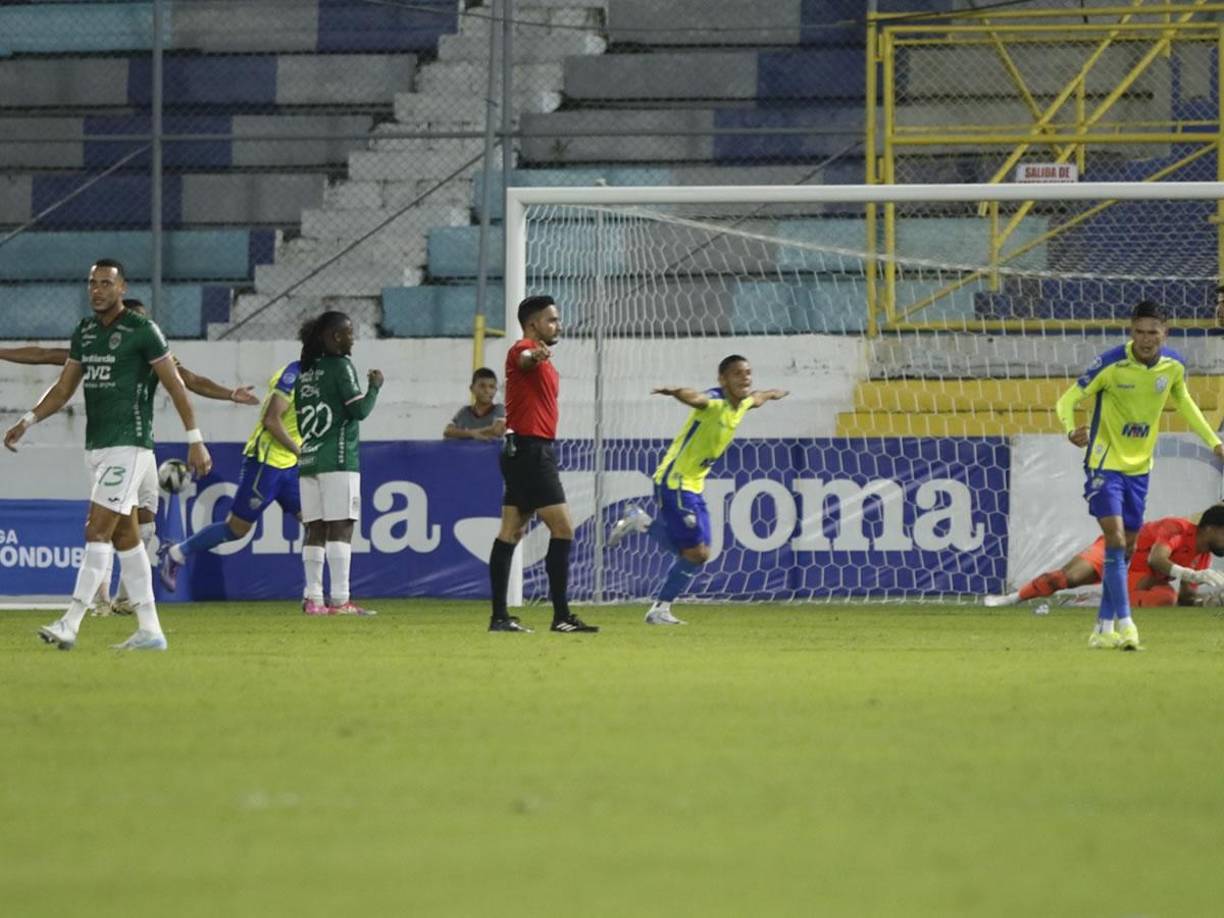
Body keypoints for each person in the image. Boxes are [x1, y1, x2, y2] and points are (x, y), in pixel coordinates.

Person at [0, 297, 258, 615]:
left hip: (141, 448)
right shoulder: (98, 348)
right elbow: (44, 355)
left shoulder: (154, 353)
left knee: (145, 522)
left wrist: (230, 394)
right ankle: (99, 599)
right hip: (110, 446)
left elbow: (189, 381)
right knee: (105, 522)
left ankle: (125, 598)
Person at [3, 259, 212, 650]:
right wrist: (28, 419)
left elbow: (178, 386)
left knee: (95, 530)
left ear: (122, 288)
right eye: (92, 283)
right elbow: (64, 389)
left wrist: (195, 438)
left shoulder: (143, 331)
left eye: (105, 283)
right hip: (97, 446)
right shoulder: (84, 332)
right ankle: (151, 630)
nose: (97, 290)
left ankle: (72, 621)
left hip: (129, 445)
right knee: (126, 539)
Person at [1055, 300, 1224, 649]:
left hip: (1139, 469)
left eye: (1153, 333)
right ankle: (1127, 625)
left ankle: (1102, 628)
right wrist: (1071, 429)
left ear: (1165, 333)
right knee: (1115, 541)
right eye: (1139, 332)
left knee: (1125, 549)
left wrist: (1214, 442)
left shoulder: (1173, 366)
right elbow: (1067, 401)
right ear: (1131, 332)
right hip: (1104, 464)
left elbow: (1186, 404)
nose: (1145, 340)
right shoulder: (1111, 364)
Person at [605, 356, 788, 624]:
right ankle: (659, 605)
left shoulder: (743, 403)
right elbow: (696, 398)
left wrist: (774, 393)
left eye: (748, 373)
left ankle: (642, 526)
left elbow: (758, 397)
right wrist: (676, 392)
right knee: (696, 554)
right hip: (675, 482)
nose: (745, 378)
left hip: (693, 485)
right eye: (737, 374)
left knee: (699, 554)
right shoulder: (714, 402)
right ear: (722, 380)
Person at [488, 294, 597, 634]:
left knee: (511, 531)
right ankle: (561, 616)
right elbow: (523, 359)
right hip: (531, 451)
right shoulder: (523, 348)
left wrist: (539, 357)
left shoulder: (545, 360)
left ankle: (500, 617)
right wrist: (534, 354)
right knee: (563, 528)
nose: (558, 325)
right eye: (552, 320)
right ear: (533, 324)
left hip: (523, 449)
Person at [159, 358, 303, 596]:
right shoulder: (292, 373)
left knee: (317, 524)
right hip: (266, 462)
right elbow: (186, 380)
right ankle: (175, 554)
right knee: (236, 529)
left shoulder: (322, 376)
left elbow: (188, 377)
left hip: (290, 466)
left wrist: (230, 394)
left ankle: (320, 596)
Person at [294, 311, 382, 616]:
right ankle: (340, 599)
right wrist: (374, 387)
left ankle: (313, 599)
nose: (352, 338)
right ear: (334, 337)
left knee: (314, 529)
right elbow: (358, 411)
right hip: (339, 458)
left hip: (309, 458)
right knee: (341, 529)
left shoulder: (304, 372)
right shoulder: (341, 366)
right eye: (348, 332)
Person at [985, 506, 1224, 609]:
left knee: (1166, 598)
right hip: (1117, 549)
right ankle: (1012, 599)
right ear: (1211, 528)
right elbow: (1156, 559)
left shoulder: (1202, 557)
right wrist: (1192, 574)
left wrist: (1208, 600)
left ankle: (1090, 601)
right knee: (1066, 578)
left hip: (1136, 576)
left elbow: (1187, 597)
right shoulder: (1178, 528)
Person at [443, 367, 506, 440]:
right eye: (482, 386)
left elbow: (497, 430)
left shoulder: (499, 408)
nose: (487, 390)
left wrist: (463, 433)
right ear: (472, 388)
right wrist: (472, 434)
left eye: (491, 387)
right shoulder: (464, 411)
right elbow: (447, 431)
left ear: (495, 390)